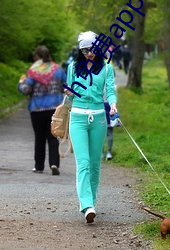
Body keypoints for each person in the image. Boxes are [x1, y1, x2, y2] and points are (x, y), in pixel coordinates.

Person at [64, 31, 117, 223]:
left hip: (99, 119)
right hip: (77, 118)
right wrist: (68, 92)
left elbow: (110, 90)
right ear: (80, 50)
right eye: (85, 50)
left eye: (92, 50)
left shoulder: (106, 68)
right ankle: (86, 204)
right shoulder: (73, 68)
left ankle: (91, 201)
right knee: (83, 163)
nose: (89, 54)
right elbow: (69, 95)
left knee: (95, 164)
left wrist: (112, 104)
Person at [18, 45, 66, 175]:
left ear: (37, 57)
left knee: (39, 138)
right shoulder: (58, 70)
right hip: (54, 109)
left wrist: (21, 83)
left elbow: (26, 90)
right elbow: (65, 87)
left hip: (37, 109)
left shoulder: (33, 71)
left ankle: (39, 167)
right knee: (53, 136)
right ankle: (54, 163)